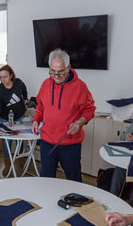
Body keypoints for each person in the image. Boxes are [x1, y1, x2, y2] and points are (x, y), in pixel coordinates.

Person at [32, 49, 95, 182]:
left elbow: (89, 110)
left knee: (74, 181)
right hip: (47, 142)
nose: (56, 75)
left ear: (68, 67)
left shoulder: (80, 87)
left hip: (70, 144)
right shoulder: (45, 84)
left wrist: (79, 123)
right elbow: (40, 106)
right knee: (46, 181)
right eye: (52, 71)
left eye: (61, 71)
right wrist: (36, 120)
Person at [0, 65, 29, 175]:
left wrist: (25, 100)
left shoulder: (18, 83)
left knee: (20, 138)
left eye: (5, 77)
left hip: (20, 115)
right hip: (5, 118)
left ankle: (20, 158)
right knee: (6, 141)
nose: (3, 79)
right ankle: (7, 164)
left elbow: (24, 90)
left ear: (11, 76)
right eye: (1, 77)